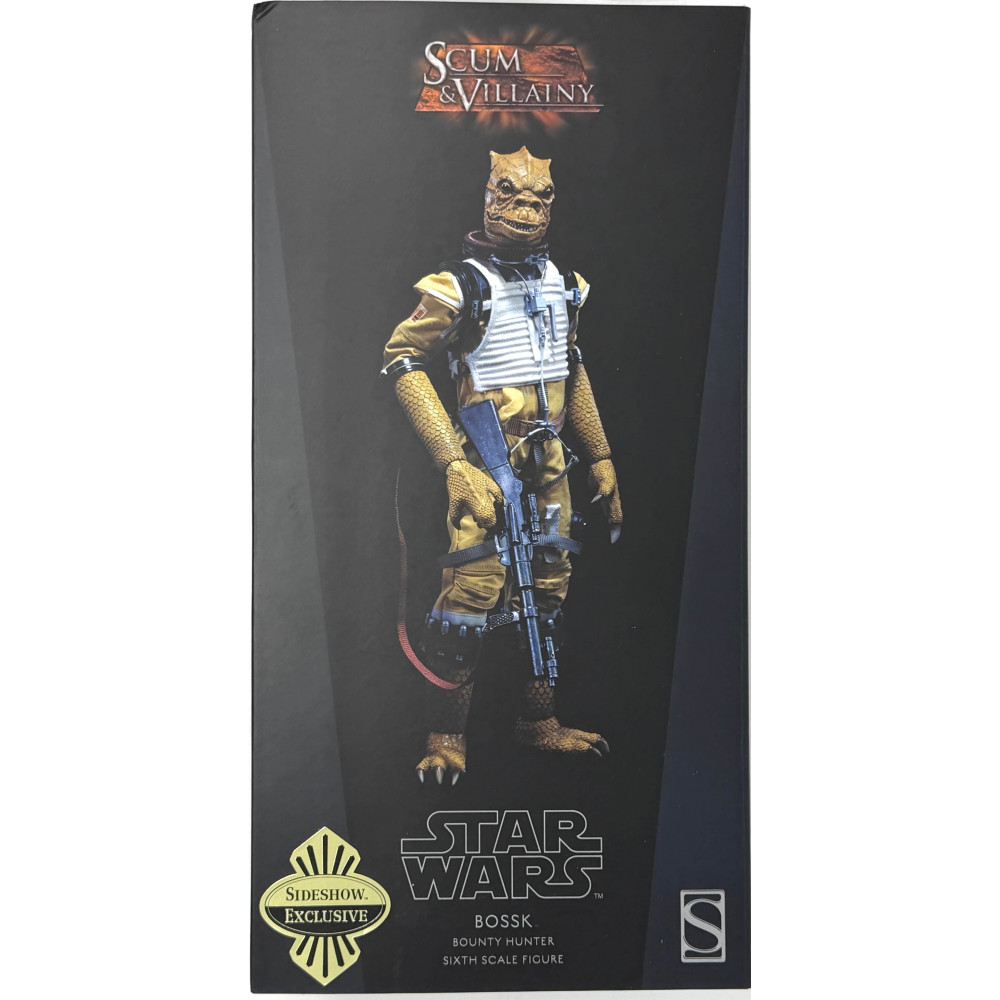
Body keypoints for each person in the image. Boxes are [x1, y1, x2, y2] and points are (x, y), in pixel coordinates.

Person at [381, 147, 622, 784]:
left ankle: (538, 720)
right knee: (471, 593)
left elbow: (570, 365)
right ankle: (445, 736)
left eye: (540, 197)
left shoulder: (565, 284)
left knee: (550, 587)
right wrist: (453, 463)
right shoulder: (460, 285)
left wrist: (600, 453)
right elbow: (402, 360)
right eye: (511, 193)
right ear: (489, 195)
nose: (526, 207)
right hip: (486, 460)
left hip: (550, 460)